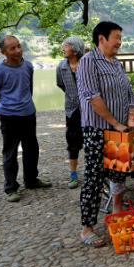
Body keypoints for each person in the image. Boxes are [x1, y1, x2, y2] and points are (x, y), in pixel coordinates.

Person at [77, 21, 134, 247]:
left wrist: (130, 118)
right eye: (116, 37)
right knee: (94, 177)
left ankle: (115, 213)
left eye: (120, 37)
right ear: (101, 38)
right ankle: (87, 228)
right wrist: (114, 123)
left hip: (120, 129)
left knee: (119, 172)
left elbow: (129, 92)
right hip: (97, 130)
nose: (120, 42)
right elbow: (92, 98)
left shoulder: (117, 63)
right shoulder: (88, 62)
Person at [0, 36, 52, 203]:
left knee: (32, 149)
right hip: (9, 117)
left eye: (18, 46)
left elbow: (28, 89)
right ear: (3, 52)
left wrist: (24, 103)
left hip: (28, 114)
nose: (17, 51)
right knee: (10, 153)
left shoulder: (28, 66)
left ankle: (31, 180)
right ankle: (11, 188)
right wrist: (4, 106)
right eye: (12, 48)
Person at [56, 36, 86, 189]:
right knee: (72, 141)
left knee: (89, 139)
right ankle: (73, 174)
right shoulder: (61, 67)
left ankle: (89, 171)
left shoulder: (86, 65)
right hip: (72, 110)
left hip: (88, 109)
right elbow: (61, 84)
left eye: (65, 46)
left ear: (75, 50)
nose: (63, 49)